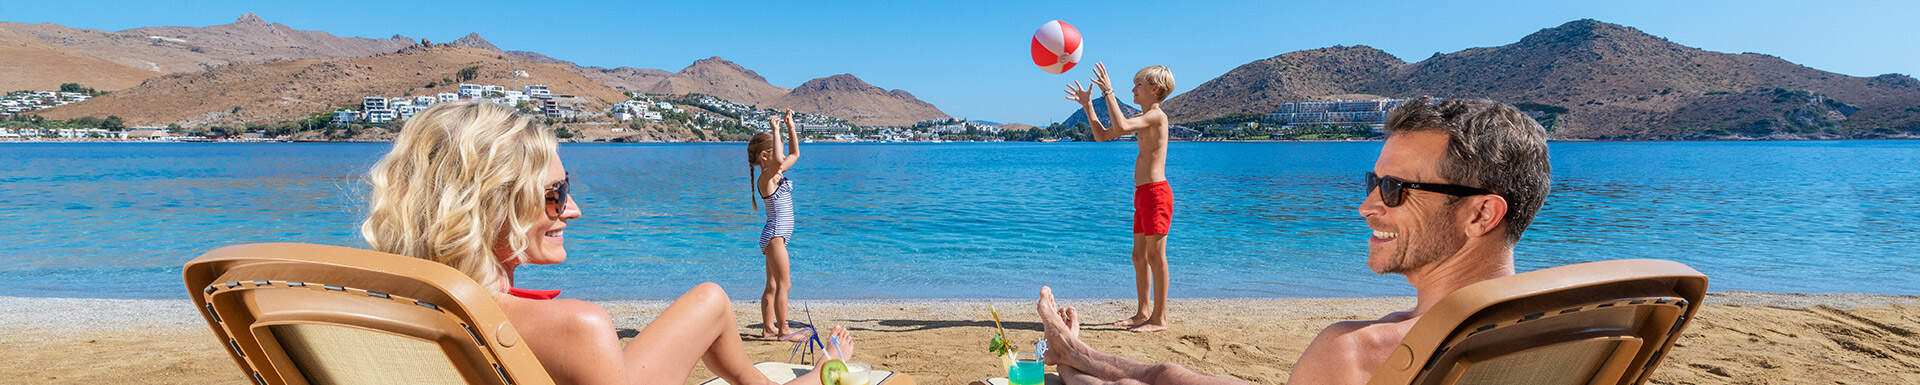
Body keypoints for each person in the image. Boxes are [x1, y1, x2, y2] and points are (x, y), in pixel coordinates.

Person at [1036, 96, 1553, 385]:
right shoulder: (1563, 327)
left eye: (1394, 189)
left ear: (1482, 212)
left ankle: (1076, 365)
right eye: (1371, 183)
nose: (1367, 206)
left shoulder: (1358, 352)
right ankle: (1077, 351)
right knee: (1167, 373)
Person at [361, 101, 852, 385]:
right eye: (556, 195)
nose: (573, 209)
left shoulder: (388, 315)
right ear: (487, 208)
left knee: (712, 300)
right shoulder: (576, 329)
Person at [1064, 63, 1178, 333]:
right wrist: (1088, 106)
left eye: (1138, 85)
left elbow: (1123, 124)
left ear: (1155, 89)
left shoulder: (1157, 117)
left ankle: (1159, 319)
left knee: (1155, 256)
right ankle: (1143, 312)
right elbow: (1102, 135)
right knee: (1139, 256)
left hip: (1157, 194)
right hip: (1142, 194)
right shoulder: (1144, 119)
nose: (1133, 90)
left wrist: (1108, 92)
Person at [750, 109, 805, 341]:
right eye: (774, 150)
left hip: (775, 236)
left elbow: (794, 154)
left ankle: (767, 327)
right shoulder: (766, 178)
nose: (778, 157)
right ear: (765, 156)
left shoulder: (777, 174)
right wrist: (775, 130)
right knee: (785, 284)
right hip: (775, 237)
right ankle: (783, 330)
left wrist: (790, 126)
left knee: (772, 285)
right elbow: (782, 159)